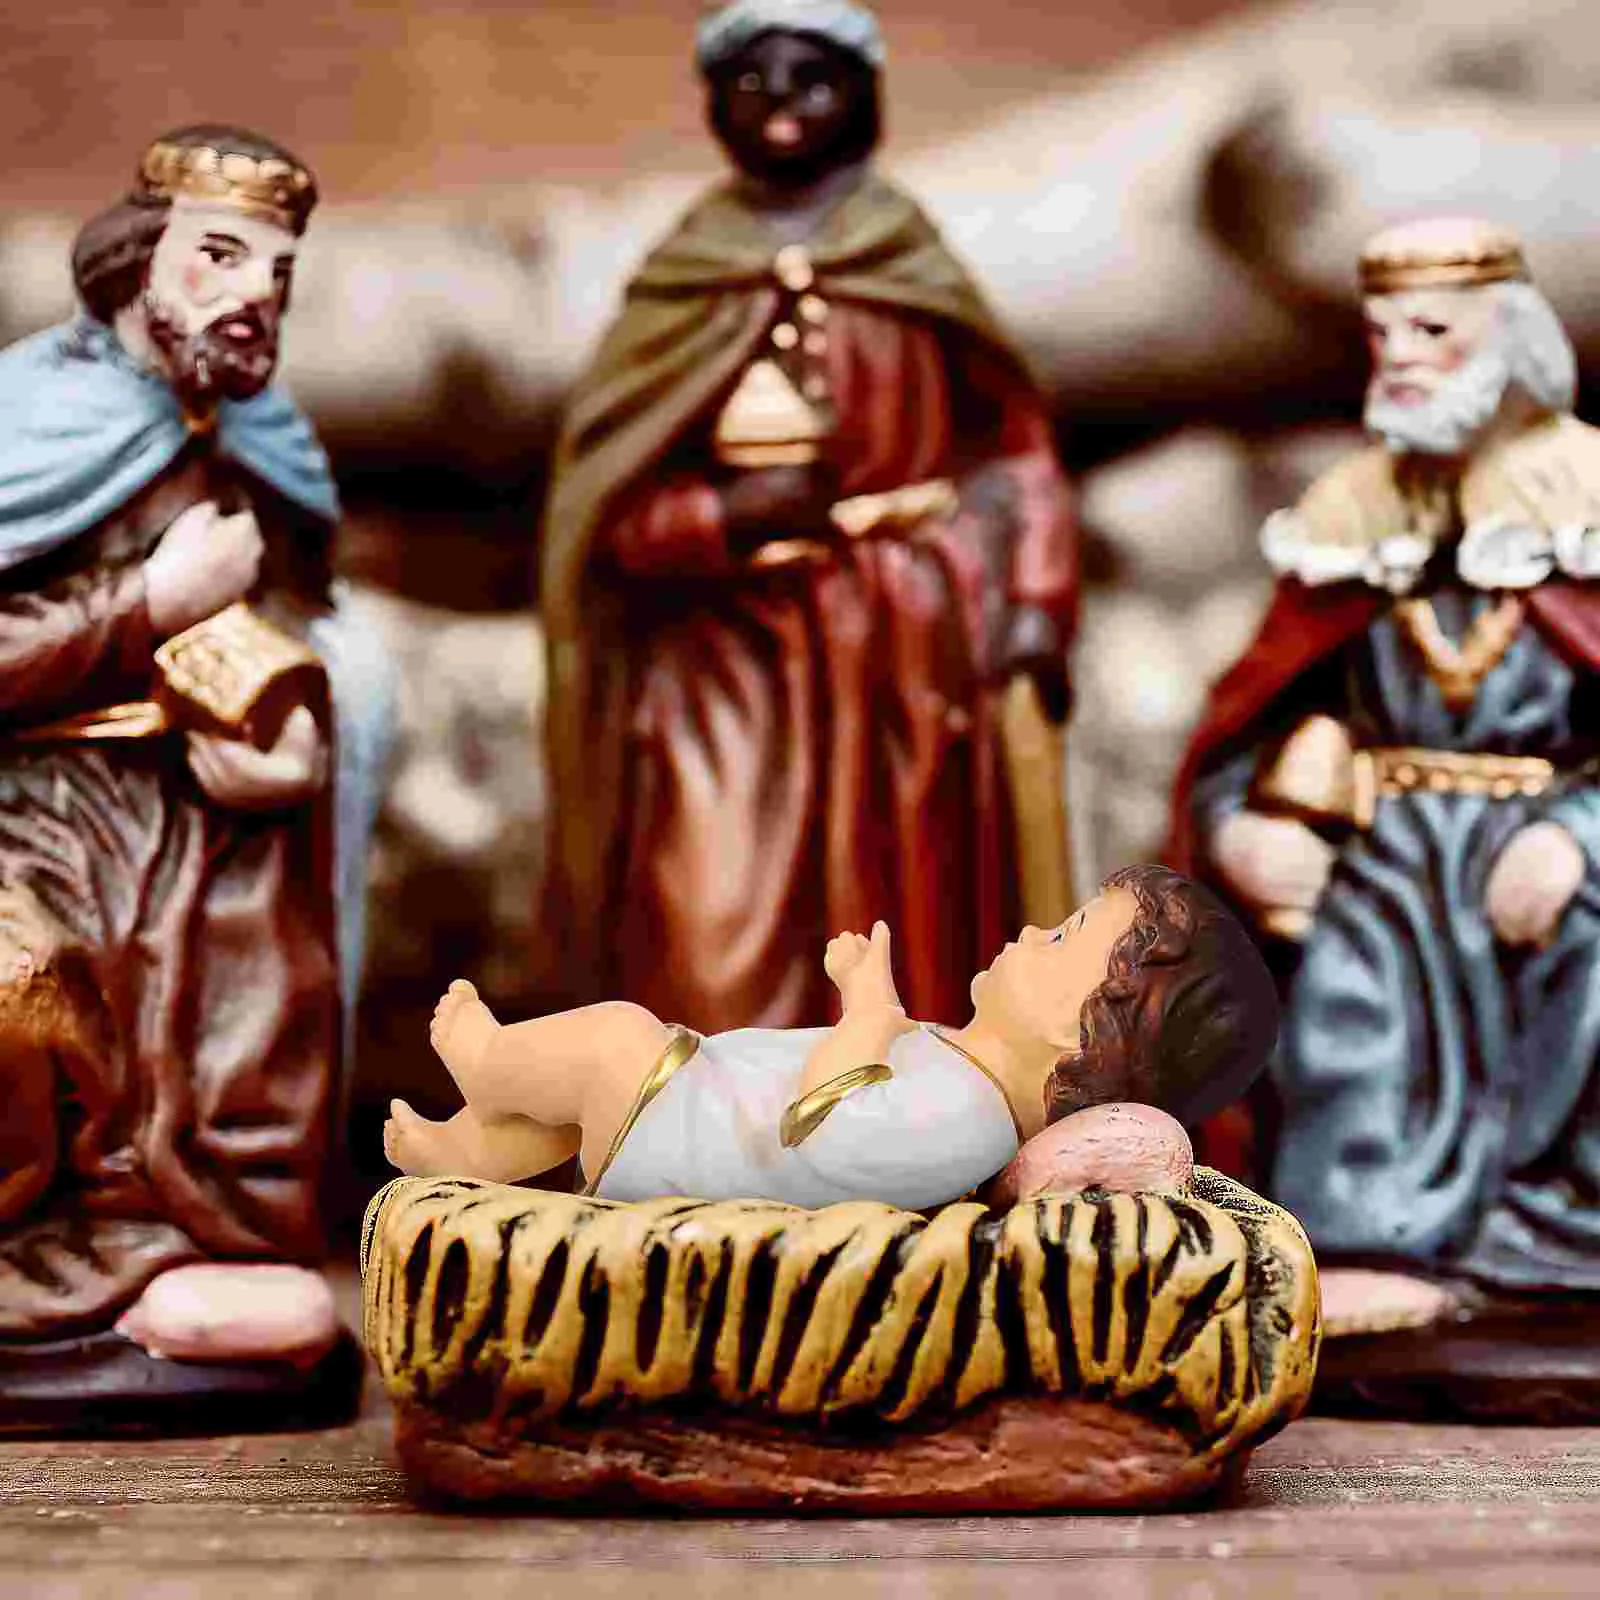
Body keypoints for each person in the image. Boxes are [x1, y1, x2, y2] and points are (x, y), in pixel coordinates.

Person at [539, 0, 1078, 1035]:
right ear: (713, 105)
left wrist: (1034, 603)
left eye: (813, 80)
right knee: (706, 934)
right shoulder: (684, 276)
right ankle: (715, 1123)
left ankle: (896, 1117)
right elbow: (601, 503)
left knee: (902, 946)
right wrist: (718, 517)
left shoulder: (907, 260)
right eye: (752, 82)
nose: (781, 104)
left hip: (904, 653)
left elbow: (1013, 453)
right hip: (719, 664)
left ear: (865, 99)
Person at [0, 125, 392, 1408]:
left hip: (211, 831)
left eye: (277, 272)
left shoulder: (260, 443)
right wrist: (142, 606)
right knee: (31, 1014)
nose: (252, 296)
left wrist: (298, 722)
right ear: (133, 263)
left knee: (251, 1046)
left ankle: (190, 1265)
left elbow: (303, 618)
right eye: (218, 255)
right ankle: (54, 1281)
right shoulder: (26, 423)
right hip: (32, 821)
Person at [1170, 218, 1600, 1336]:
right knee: (1347, 995)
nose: (1401, 356)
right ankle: (1366, 1237)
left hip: (1549, 850)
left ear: (1512, 341)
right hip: (1383, 856)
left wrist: (1577, 838)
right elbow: (1257, 713)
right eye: (1382, 334)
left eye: (1434, 331)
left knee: (1585, 973)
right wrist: (1244, 824)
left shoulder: (1585, 505)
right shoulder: (1353, 521)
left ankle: (1548, 1243)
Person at [385, 864, 1278, 1211]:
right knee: (563, 1112)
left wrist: (868, 1009)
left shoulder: (964, 1124)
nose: (1030, 930)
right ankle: (462, 1154)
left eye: (1060, 939)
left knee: (614, 1040)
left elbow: (824, 1122)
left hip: (695, 1147)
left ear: (1075, 1031)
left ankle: (488, 1063)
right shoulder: (959, 1073)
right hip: (700, 1108)